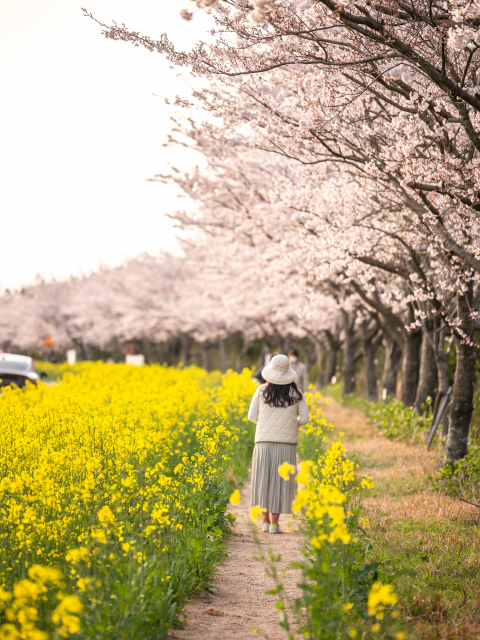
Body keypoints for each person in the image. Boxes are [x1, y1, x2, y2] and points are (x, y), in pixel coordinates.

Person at [248, 354, 310, 534]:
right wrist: (292, 424)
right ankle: (275, 523)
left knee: (263, 481)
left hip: (263, 443)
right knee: (280, 483)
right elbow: (304, 418)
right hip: (287, 444)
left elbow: (252, 417)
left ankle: (265, 522)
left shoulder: (261, 391)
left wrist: (266, 424)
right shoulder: (297, 393)